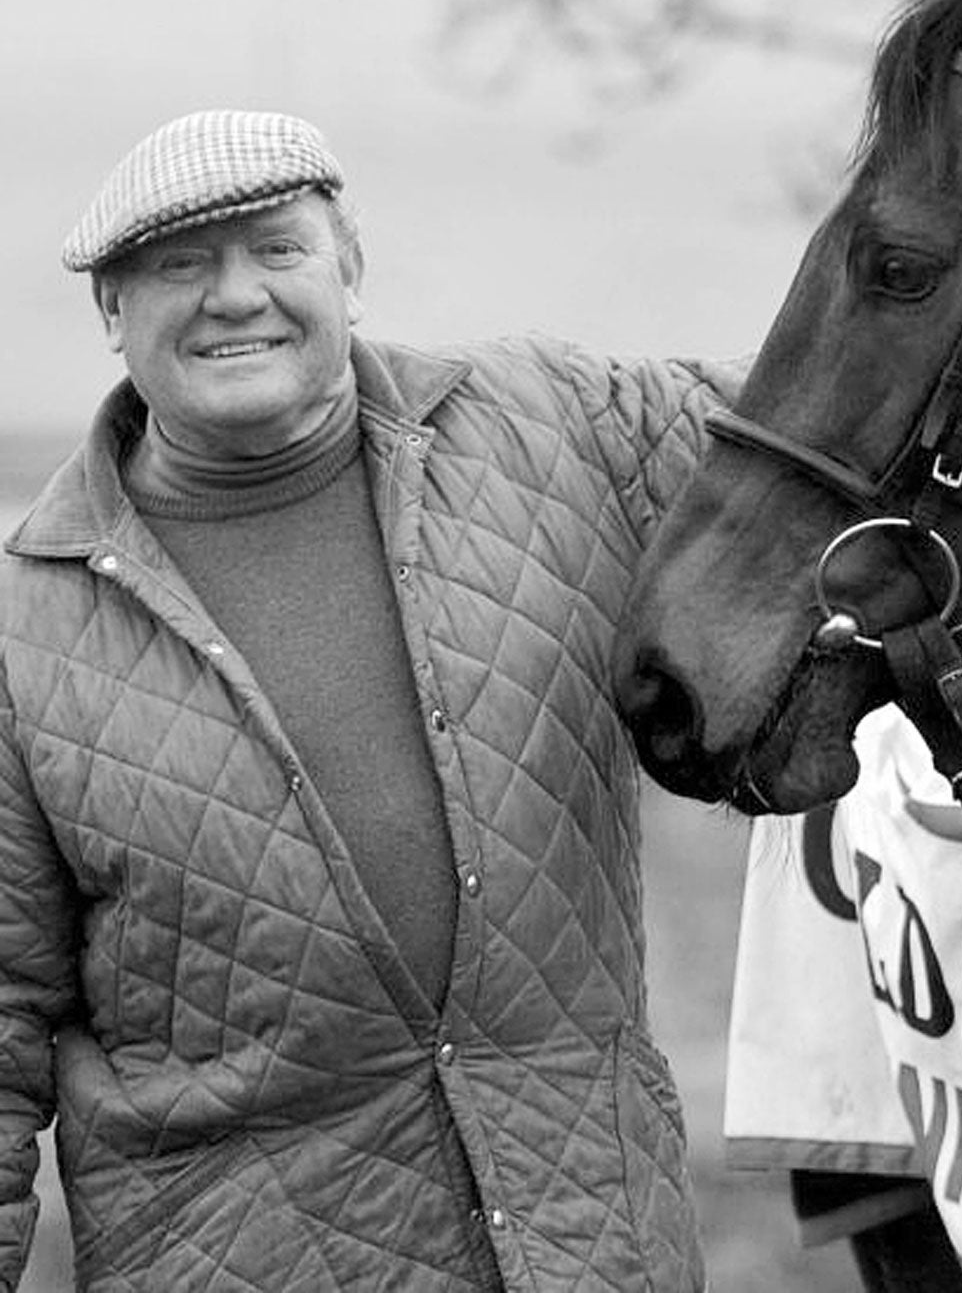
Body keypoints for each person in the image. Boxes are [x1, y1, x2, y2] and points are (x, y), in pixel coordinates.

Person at [0, 111, 738, 1290]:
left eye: (277, 250)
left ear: (350, 267)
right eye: (179, 265)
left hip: (590, 1247)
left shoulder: (557, 433)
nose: (234, 295)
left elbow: (842, 446)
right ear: (109, 316)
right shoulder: (23, 628)